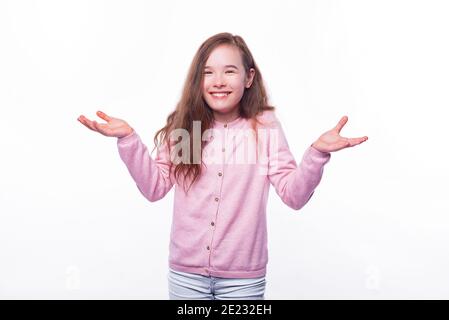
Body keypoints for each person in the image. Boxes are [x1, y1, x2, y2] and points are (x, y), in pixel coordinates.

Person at [77, 32, 368, 300]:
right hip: (186, 276)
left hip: (243, 280)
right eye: (208, 72)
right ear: (197, 80)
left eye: (229, 71)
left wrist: (316, 153)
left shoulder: (263, 128)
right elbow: (154, 188)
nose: (218, 80)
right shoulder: (189, 128)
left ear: (248, 77)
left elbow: (294, 196)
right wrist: (128, 139)